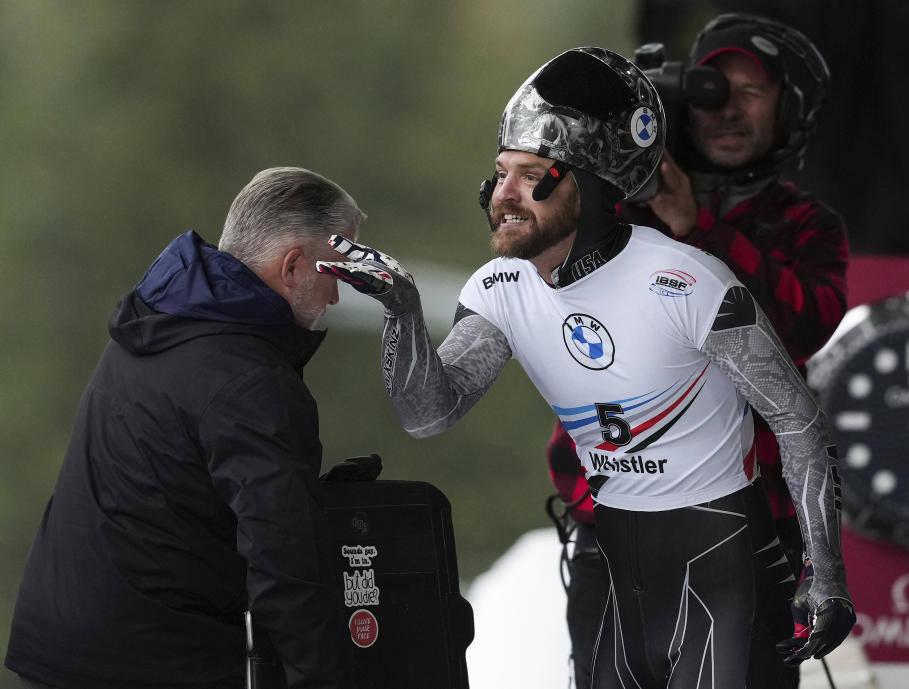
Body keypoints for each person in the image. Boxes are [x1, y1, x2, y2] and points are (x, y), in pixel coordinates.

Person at [316, 46, 856, 688]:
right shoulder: (502, 288)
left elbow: (798, 421)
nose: (502, 195)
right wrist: (401, 310)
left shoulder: (686, 279)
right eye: (500, 173)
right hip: (616, 557)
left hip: (723, 554)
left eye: (530, 174)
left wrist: (825, 572)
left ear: (592, 186)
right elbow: (429, 415)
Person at [546, 14, 851, 689]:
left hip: (750, 537)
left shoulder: (808, 226)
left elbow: (800, 324)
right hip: (612, 527)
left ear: (788, 107)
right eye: (713, 89)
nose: (729, 110)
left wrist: (696, 226)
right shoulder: (612, 215)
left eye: (753, 91)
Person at [5, 167, 364, 689]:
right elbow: (287, 565)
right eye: (337, 272)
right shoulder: (251, 381)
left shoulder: (155, 325)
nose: (335, 298)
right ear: (292, 266)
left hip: (55, 651)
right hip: (151, 664)